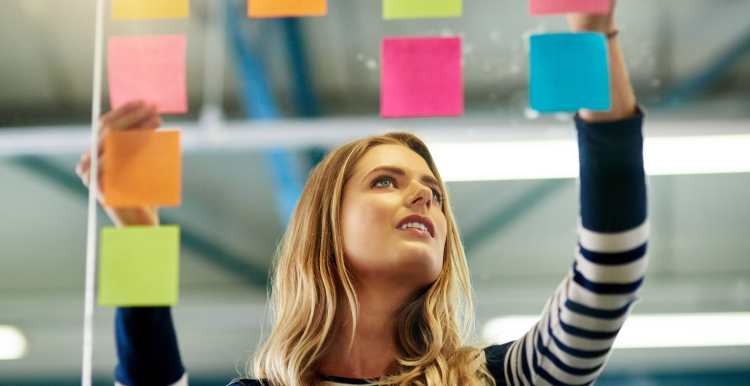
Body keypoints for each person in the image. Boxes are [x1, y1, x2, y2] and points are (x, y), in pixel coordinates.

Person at [76, 1, 648, 385]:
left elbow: (610, 272)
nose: (426, 199)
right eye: (385, 182)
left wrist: (592, 33)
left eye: (434, 193)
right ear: (326, 225)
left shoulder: (498, 377)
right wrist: (136, 231)